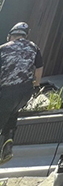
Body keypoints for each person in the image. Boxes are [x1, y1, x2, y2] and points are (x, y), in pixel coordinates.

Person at [0, 22, 44, 164]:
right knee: (12, 114)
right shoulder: (33, 47)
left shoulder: (3, 49)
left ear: (11, 35)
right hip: (25, 92)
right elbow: (39, 68)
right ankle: (7, 146)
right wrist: (36, 85)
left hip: (7, 91)